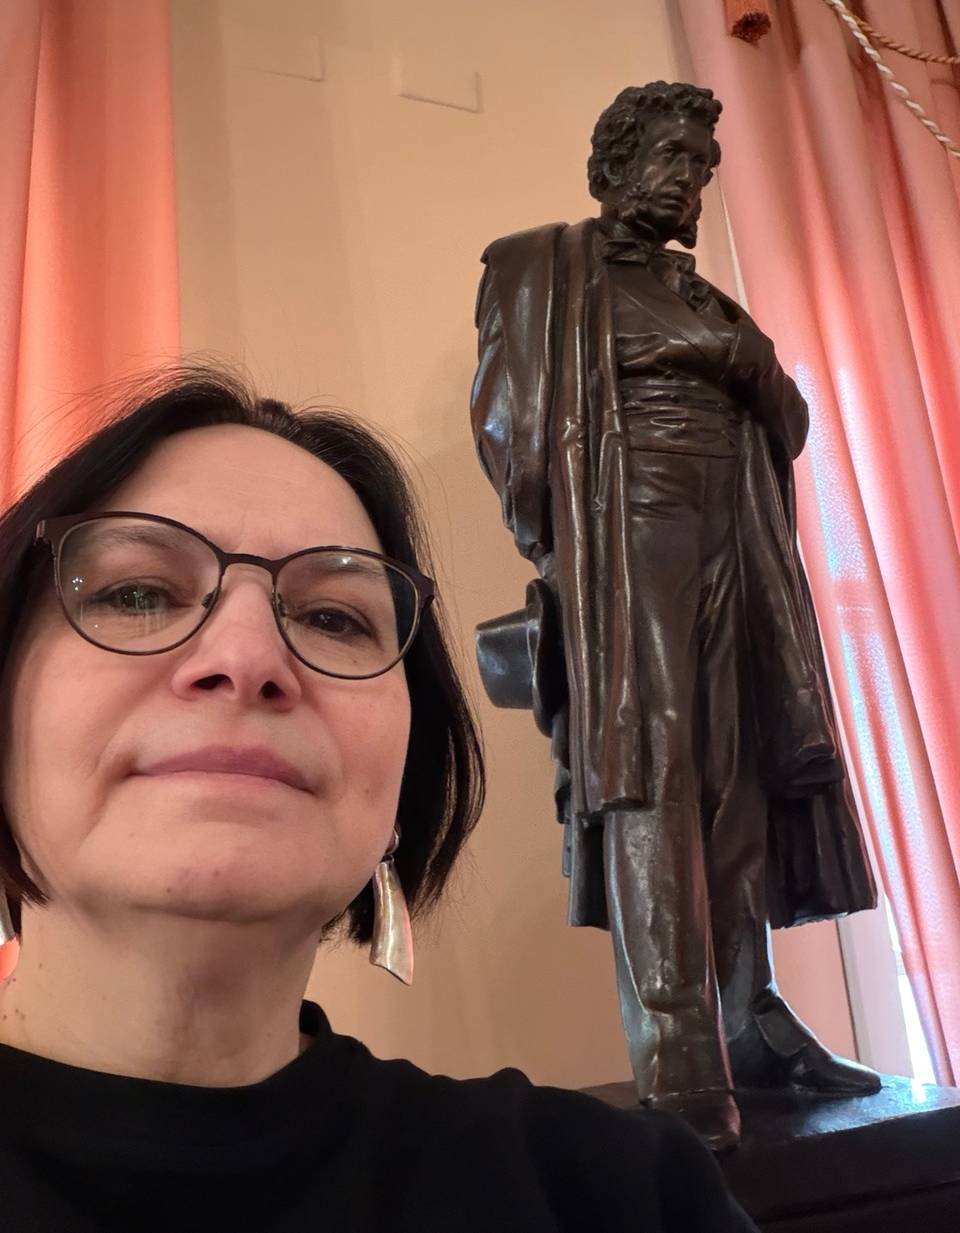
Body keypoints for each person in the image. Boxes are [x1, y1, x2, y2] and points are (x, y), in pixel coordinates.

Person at [0, 366, 757, 1231]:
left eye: (334, 618)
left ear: (400, 780)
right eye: (137, 594)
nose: (247, 658)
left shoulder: (621, 1194)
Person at [471, 82, 879, 1151]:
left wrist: (740, 362)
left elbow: (788, 422)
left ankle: (750, 1020)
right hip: (631, 523)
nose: (691, 179)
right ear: (615, 166)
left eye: (702, 164)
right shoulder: (538, 271)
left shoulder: (713, 304)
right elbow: (508, 425)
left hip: (736, 529)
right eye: (674, 157)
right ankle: (677, 1045)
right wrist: (569, 552)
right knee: (651, 767)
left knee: (736, 769)